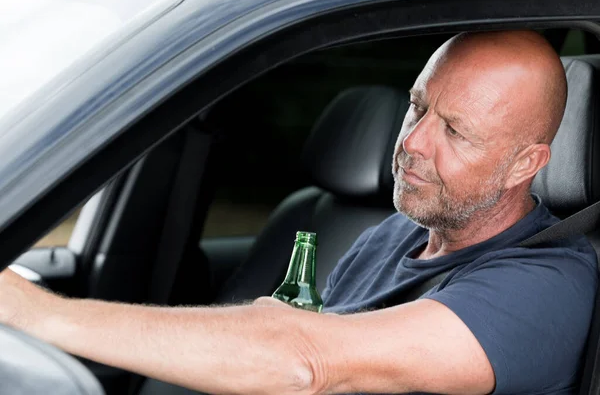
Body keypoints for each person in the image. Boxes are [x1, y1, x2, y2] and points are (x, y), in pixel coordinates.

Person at [0, 29, 597, 395]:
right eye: (418, 109)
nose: (412, 143)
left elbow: (306, 362)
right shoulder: (394, 235)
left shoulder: (548, 286)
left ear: (526, 165)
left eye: (457, 132)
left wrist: (36, 314)